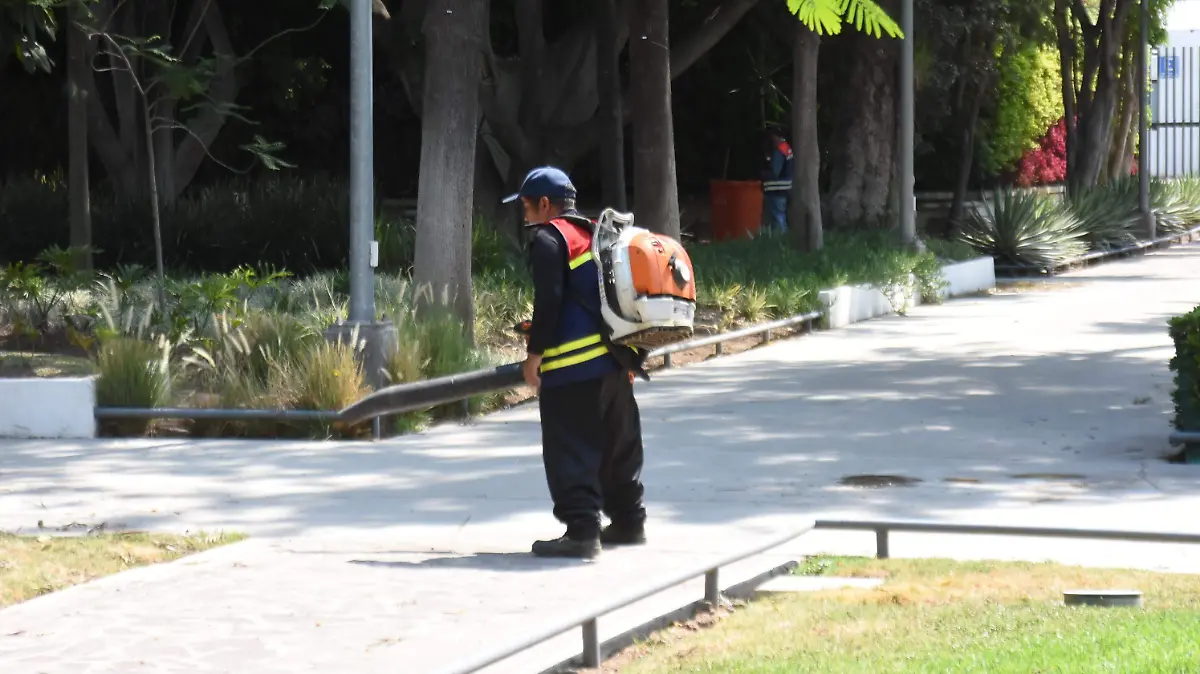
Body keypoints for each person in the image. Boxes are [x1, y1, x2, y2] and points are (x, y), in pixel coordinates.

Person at [502, 166, 648, 559]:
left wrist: (534, 357)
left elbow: (548, 302)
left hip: (573, 370)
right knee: (618, 447)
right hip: (616, 364)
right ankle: (629, 522)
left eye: (527, 207)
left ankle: (583, 532)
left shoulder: (550, 239)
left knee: (571, 448)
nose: (525, 215)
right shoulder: (595, 235)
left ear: (545, 204)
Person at [761, 127, 794, 235]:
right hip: (784, 190)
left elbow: (775, 171)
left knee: (778, 219)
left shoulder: (780, 150)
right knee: (780, 218)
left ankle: (781, 241)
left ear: (776, 136)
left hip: (777, 190)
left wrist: (763, 174)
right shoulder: (787, 148)